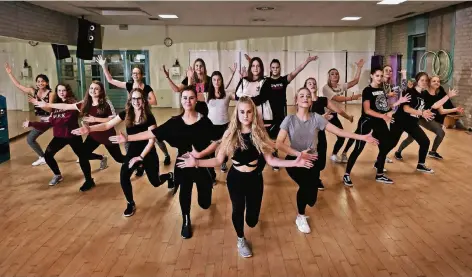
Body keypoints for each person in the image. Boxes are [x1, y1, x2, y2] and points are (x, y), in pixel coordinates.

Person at [176, 96, 313, 258]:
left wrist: (295, 163)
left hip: (255, 179)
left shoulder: (260, 134)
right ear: (237, 114)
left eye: (249, 112)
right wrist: (196, 162)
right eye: (242, 112)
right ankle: (240, 239)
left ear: (253, 113)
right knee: (238, 209)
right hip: (236, 179)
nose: (245, 115)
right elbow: (218, 160)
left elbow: (271, 159)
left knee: (252, 220)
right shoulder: (230, 134)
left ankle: (249, 223)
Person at [108, 87, 221, 238]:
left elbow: (216, 141)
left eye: (191, 97)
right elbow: (151, 133)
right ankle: (186, 220)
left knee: (204, 203)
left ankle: (204, 198)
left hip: (201, 163)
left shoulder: (204, 121)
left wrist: (200, 154)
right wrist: (128, 138)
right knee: (184, 190)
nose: (188, 100)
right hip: (183, 163)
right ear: (181, 100)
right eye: (185, 97)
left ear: (196, 100)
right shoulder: (174, 123)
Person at [276, 87, 377, 233]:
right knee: (304, 186)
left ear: (311, 100)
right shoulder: (289, 119)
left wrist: (362, 137)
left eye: (308, 96)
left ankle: (304, 207)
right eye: (302, 95)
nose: (305, 98)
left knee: (312, 199)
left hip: (313, 160)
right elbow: (279, 143)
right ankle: (300, 216)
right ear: (296, 100)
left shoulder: (317, 118)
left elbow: (339, 131)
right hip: (295, 160)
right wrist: (298, 154)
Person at [72, 88, 174, 216]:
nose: (136, 101)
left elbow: (151, 141)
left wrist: (141, 157)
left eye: (139, 98)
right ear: (130, 100)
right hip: (133, 150)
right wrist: (89, 129)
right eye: (133, 99)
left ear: (143, 100)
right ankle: (130, 203)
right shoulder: (126, 113)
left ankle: (170, 176)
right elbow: (107, 125)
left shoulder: (150, 117)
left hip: (147, 152)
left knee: (155, 182)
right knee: (124, 175)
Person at [96, 55, 171, 167]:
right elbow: (110, 80)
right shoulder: (129, 85)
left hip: (145, 115)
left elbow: (154, 101)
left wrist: (140, 100)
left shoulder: (146, 88)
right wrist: (104, 66)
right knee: (129, 139)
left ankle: (166, 155)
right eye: (133, 73)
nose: (135, 74)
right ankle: (136, 162)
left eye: (137, 73)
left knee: (156, 138)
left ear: (141, 75)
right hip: (132, 115)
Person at [33, 81, 125, 169]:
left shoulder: (106, 103)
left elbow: (112, 119)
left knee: (119, 159)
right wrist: (47, 104)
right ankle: (89, 180)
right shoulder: (85, 103)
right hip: (93, 135)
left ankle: (138, 162)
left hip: (107, 135)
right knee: (82, 155)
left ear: (101, 91)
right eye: (91, 88)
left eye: (96, 89)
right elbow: (66, 106)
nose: (93, 90)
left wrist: (95, 119)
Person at [342, 68, 410, 187]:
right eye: (377, 75)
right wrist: (383, 116)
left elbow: (384, 106)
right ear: (372, 76)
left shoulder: (381, 90)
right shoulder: (367, 90)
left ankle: (379, 174)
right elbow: (367, 110)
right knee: (358, 148)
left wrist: (398, 102)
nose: (379, 78)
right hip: (367, 122)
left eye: (381, 76)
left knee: (385, 146)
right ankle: (347, 174)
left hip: (379, 122)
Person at [24, 84, 95, 191]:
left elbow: (65, 120)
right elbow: (48, 124)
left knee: (83, 157)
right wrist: (31, 123)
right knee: (48, 155)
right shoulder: (55, 106)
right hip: (59, 136)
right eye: (59, 90)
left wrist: (50, 118)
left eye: (64, 90)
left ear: (68, 91)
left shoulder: (72, 103)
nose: (61, 92)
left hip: (73, 135)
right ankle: (57, 175)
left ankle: (90, 179)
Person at [389, 73, 458, 173]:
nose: (424, 82)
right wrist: (422, 113)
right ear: (417, 81)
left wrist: (448, 96)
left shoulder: (423, 95)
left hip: (412, 122)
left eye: (426, 80)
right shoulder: (411, 92)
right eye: (422, 80)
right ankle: (381, 160)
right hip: (400, 120)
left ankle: (421, 165)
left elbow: (435, 105)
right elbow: (406, 108)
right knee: (391, 143)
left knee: (425, 141)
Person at [304, 77, 354, 190]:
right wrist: (322, 117)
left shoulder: (323, 100)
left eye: (314, 83)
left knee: (321, 161)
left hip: (320, 134)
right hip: (308, 136)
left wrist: (349, 117)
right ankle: (314, 179)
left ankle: (314, 177)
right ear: (306, 87)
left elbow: (338, 110)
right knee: (312, 158)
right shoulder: (304, 101)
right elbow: (303, 119)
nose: (312, 85)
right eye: (309, 83)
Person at [4, 63, 55, 166]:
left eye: (43, 81)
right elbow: (19, 86)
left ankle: (43, 157)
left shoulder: (51, 93)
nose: (40, 83)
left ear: (47, 82)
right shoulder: (34, 91)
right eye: (38, 81)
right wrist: (10, 73)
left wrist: (37, 103)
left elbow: (50, 109)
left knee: (30, 139)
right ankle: (44, 157)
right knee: (31, 139)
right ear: (36, 83)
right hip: (42, 120)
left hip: (50, 120)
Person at [320, 60, 365, 163]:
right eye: (332, 74)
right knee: (322, 138)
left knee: (341, 136)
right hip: (325, 116)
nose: (335, 75)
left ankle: (334, 154)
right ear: (329, 77)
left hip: (334, 115)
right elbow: (337, 98)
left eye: (336, 74)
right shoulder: (326, 88)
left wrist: (359, 68)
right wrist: (352, 98)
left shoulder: (340, 86)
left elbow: (355, 81)